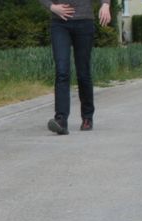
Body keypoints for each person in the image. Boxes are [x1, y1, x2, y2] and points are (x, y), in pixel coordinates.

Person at [40, 0, 111, 134]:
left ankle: (87, 117)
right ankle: (61, 120)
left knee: (83, 73)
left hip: (84, 22)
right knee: (62, 70)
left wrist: (106, 4)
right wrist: (52, 7)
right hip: (59, 23)